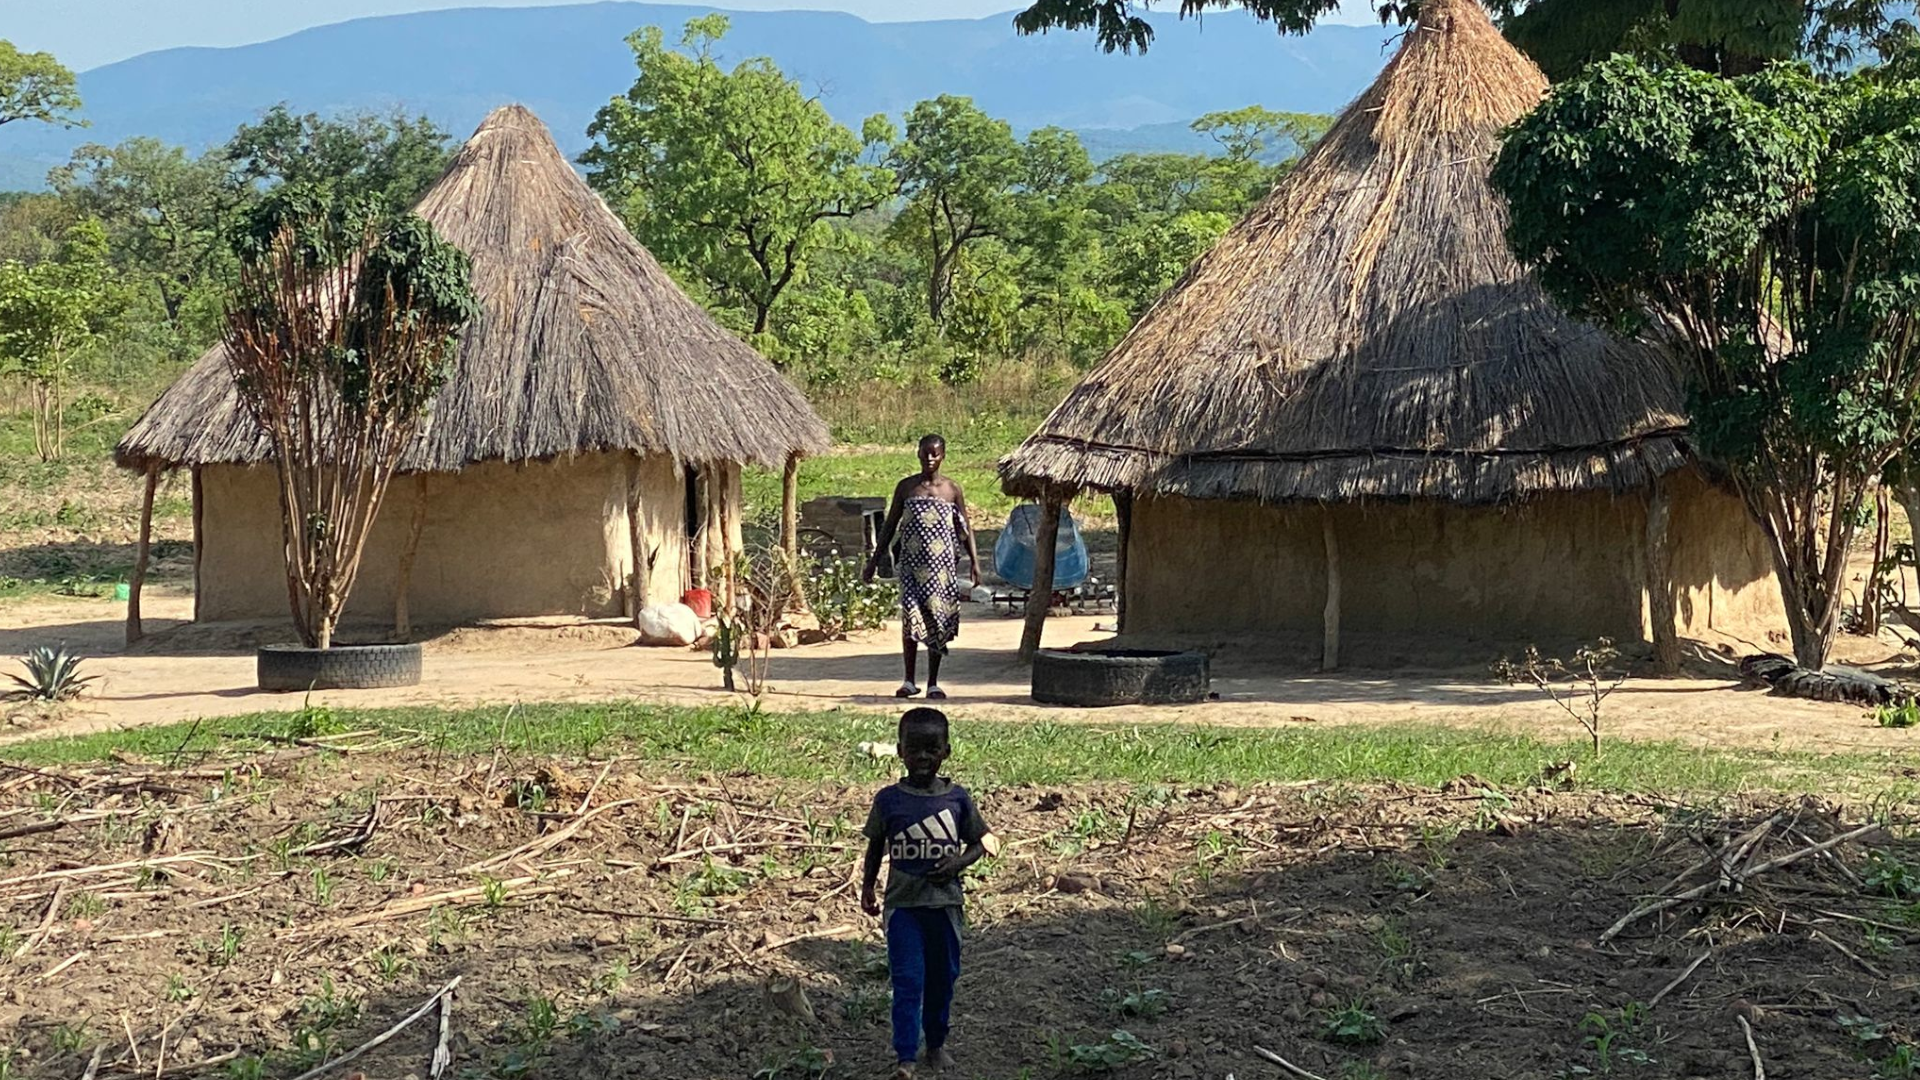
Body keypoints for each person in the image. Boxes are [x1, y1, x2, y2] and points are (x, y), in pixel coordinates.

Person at [861, 708, 993, 1078]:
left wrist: (957, 864)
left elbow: (981, 842)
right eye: (914, 749)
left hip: (945, 906)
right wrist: (867, 886)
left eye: (931, 749)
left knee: (942, 978)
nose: (922, 757)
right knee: (908, 980)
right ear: (899, 751)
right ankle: (905, 1056)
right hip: (903, 907)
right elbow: (875, 846)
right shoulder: (888, 800)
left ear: (946, 751)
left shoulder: (957, 799)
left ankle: (935, 1044)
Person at [863, 434, 981, 699]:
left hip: (942, 572)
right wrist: (874, 561)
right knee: (911, 621)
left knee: (937, 621)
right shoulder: (907, 488)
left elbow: (965, 528)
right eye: (925, 452)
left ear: (943, 456)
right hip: (911, 569)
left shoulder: (951, 490)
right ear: (917, 453)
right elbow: (890, 526)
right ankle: (908, 680)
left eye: (935, 453)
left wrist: (975, 562)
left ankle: (933, 683)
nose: (929, 458)